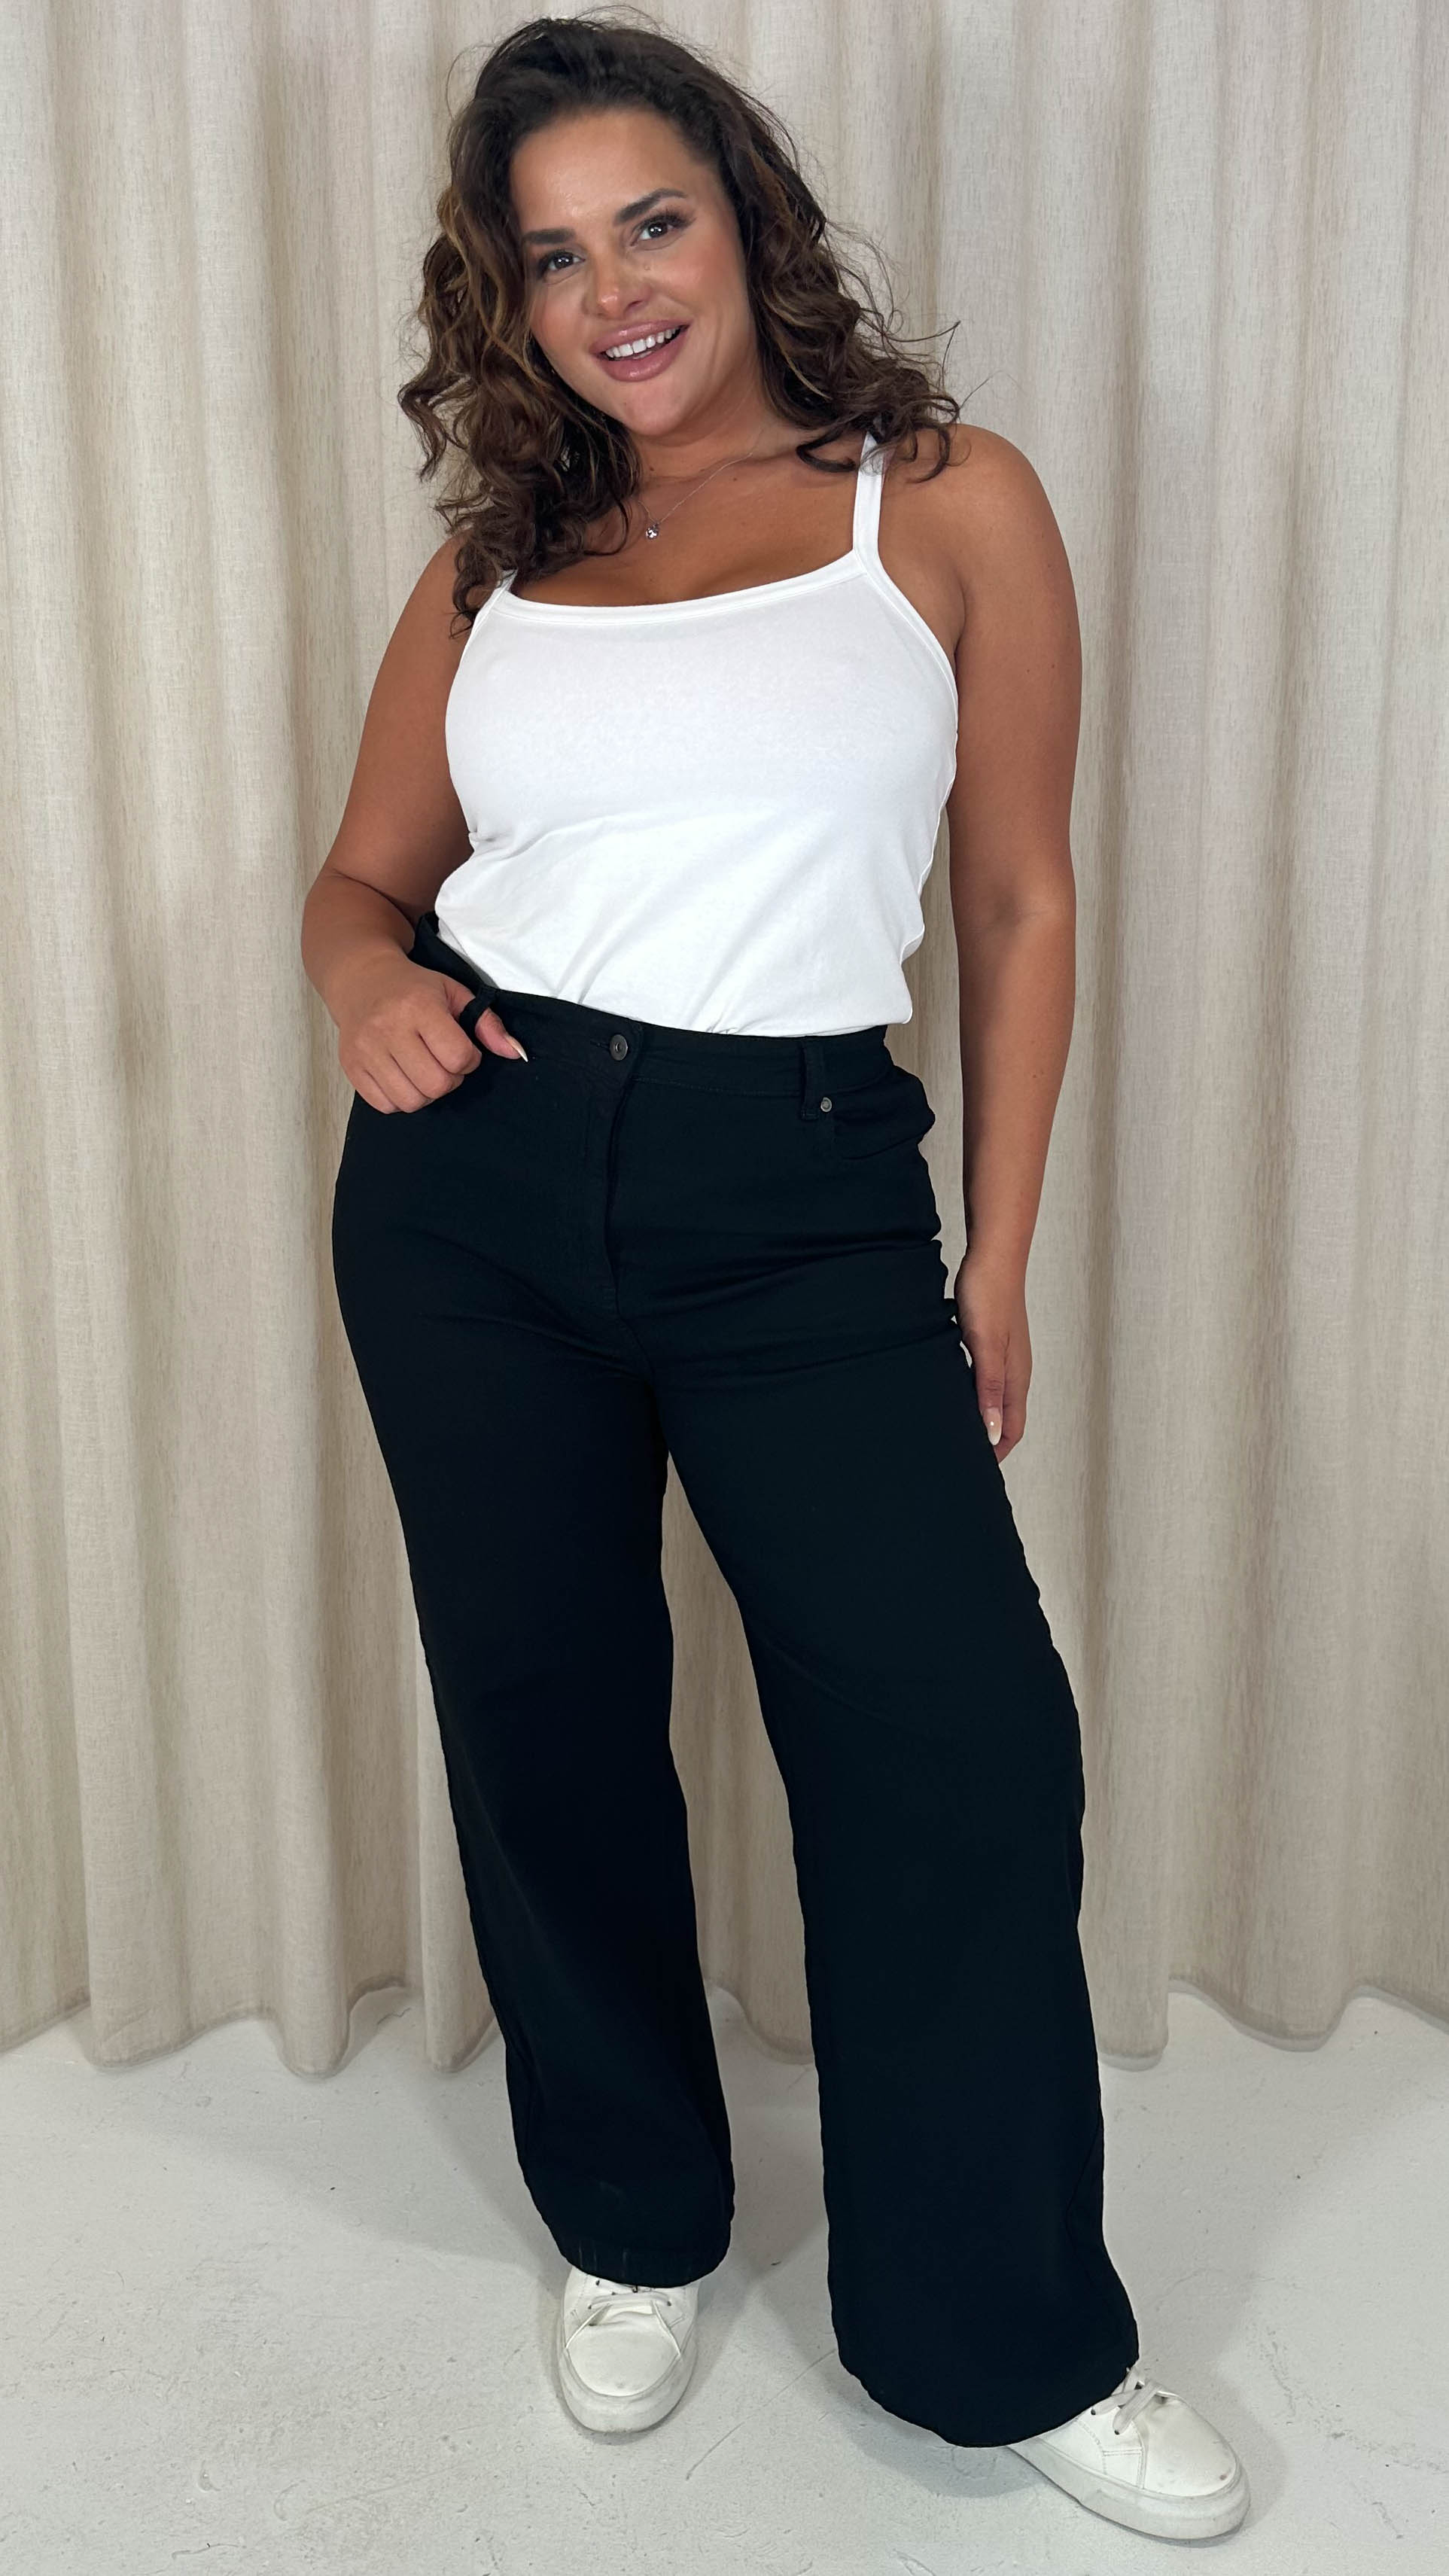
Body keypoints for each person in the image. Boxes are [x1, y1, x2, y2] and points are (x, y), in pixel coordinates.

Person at [301, 13, 1248, 2545]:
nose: (615, 290)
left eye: (654, 223)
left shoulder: (936, 504)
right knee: (547, 1717)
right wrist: (364, 984)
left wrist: (998, 1249)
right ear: (508, 301)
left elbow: (1020, 899)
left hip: (803, 1189)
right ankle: (634, 2220)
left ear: (746, 222)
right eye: (554, 256)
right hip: (475, 1196)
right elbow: (360, 882)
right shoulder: (499, 562)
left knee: (960, 1749)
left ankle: (1002, 2329)